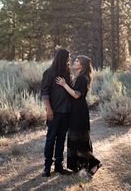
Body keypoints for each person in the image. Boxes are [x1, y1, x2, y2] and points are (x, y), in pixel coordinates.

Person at [55, 55, 102, 176]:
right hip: (75, 111)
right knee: (76, 140)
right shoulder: (79, 77)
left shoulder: (82, 78)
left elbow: (76, 95)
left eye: (77, 61)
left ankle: (95, 163)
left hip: (79, 113)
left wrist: (64, 84)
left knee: (78, 142)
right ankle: (84, 167)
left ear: (82, 65)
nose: (74, 62)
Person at [41, 48, 73, 177]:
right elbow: (44, 92)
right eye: (68, 57)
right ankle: (47, 167)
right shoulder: (49, 72)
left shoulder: (67, 72)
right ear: (62, 58)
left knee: (61, 139)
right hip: (54, 112)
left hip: (66, 112)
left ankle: (59, 165)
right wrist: (49, 109)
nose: (69, 60)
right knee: (50, 139)